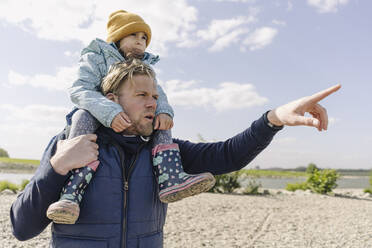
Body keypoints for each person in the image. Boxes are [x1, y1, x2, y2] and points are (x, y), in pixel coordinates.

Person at [10, 58, 341, 247]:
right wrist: (56, 167)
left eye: (154, 95)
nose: (153, 102)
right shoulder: (69, 145)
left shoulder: (162, 153)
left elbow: (227, 155)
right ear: (110, 101)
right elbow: (22, 227)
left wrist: (273, 119)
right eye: (141, 94)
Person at [46, 10, 215, 225]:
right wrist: (110, 111)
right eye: (133, 35)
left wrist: (165, 111)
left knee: (158, 113)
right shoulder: (96, 56)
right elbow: (79, 90)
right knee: (82, 115)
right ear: (117, 36)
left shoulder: (144, 67)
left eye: (144, 38)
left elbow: (158, 94)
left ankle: (170, 177)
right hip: (97, 112)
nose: (140, 42)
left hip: (130, 118)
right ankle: (72, 193)